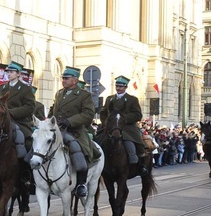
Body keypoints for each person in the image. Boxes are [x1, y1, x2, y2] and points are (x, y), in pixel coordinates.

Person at [49, 66, 97, 197]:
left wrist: (70, 121)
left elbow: (88, 114)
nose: (63, 80)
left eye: (66, 78)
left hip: (74, 130)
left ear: (75, 80)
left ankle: (81, 184)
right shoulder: (59, 93)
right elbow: (54, 109)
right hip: (57, 129)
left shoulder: (84, 95)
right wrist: (47, 121)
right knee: (39, 145)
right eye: (63, 78)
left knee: (79, 150)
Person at [99, 75, 149, 176]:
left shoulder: (132, 99)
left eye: (121, 86)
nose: (118, 88)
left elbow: (138, 114)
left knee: (137, 144)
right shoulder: (110, 99)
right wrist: (106, 122)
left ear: (125, 87)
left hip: (128, 128)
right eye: (117, 86)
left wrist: (123, 119)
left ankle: (141, 165)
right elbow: (103, 112)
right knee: (98, 141)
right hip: (111, 128)